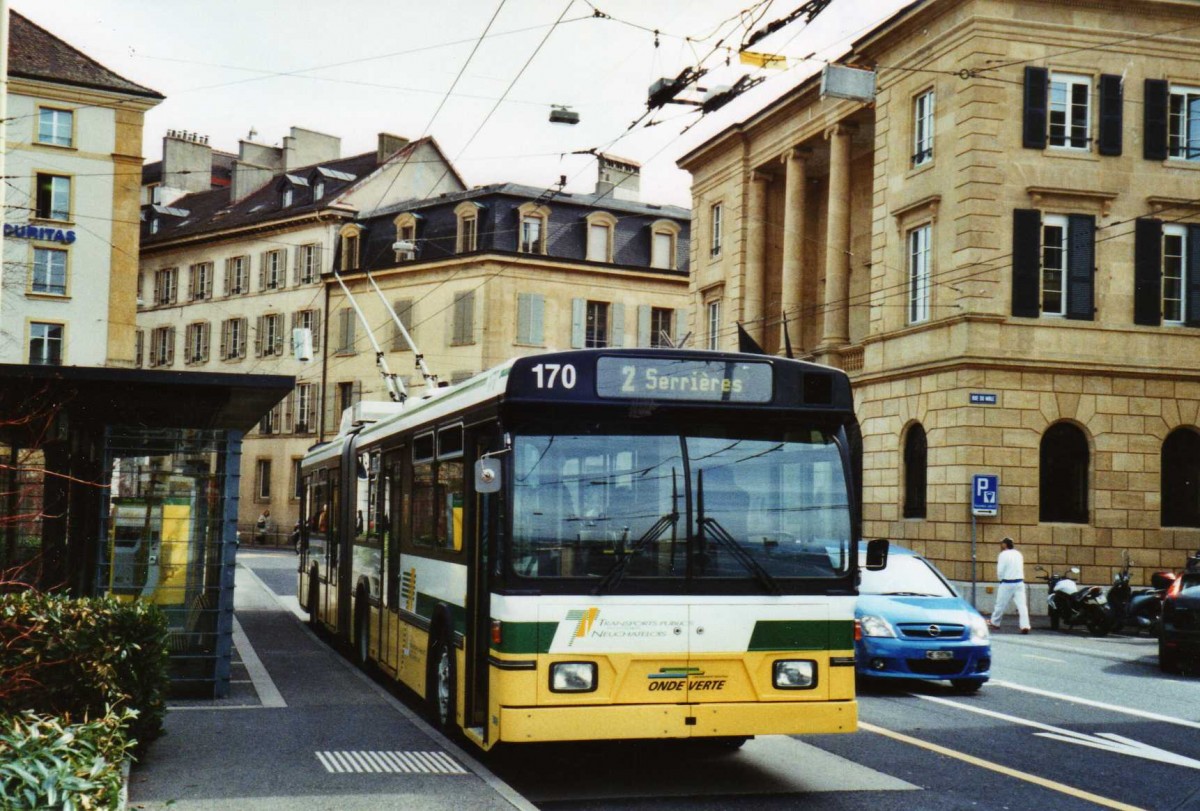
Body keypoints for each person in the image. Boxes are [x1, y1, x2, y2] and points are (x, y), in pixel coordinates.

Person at [990, 537, 1031, 633]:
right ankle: (1025, 625)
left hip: (1007, 582)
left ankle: (995, 622)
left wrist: (1000, 579)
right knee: (1022, 606)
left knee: (1000, 604)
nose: (1000, 545)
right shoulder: (1018, 554)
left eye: (1001, 544)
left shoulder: (1003, 555)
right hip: (1019, 582)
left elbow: (1000, 570)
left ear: (1005, 545)